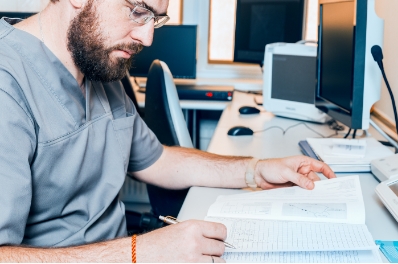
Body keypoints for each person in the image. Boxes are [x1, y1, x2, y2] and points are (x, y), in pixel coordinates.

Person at [0, 0, 336, 262]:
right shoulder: (8, 86)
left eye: (155, 19)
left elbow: (158, 161)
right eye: (137, 11)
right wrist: (138, 254)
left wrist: (254, 170)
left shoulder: (100, 69)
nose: (147, 37)